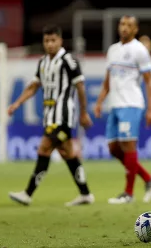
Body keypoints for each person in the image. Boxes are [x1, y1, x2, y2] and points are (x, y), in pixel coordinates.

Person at [8, 25, 94, 206]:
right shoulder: (42, 62)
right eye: (46, 41)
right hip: (49, 116)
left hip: (63, 117)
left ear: (60, 40)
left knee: (44, 148)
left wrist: (84, 113)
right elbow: (33, 86)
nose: (50, 44)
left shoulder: (69, 61)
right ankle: (85, 193)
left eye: (53, 40)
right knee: (68, 153)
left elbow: (80, 88)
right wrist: (17, 103)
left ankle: (27, 193)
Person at [94, 15, 151, 204]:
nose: (125, 28)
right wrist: (100, 101)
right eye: (122, 24)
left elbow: (149, 81)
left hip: (131, 104)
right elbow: (108, 80)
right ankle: (149, 179)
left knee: (128, 146)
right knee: (113, 148)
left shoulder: (139, 50)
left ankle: (128, 193)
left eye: (129, 25)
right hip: (114, 105)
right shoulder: (113, 50)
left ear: (135, 29)